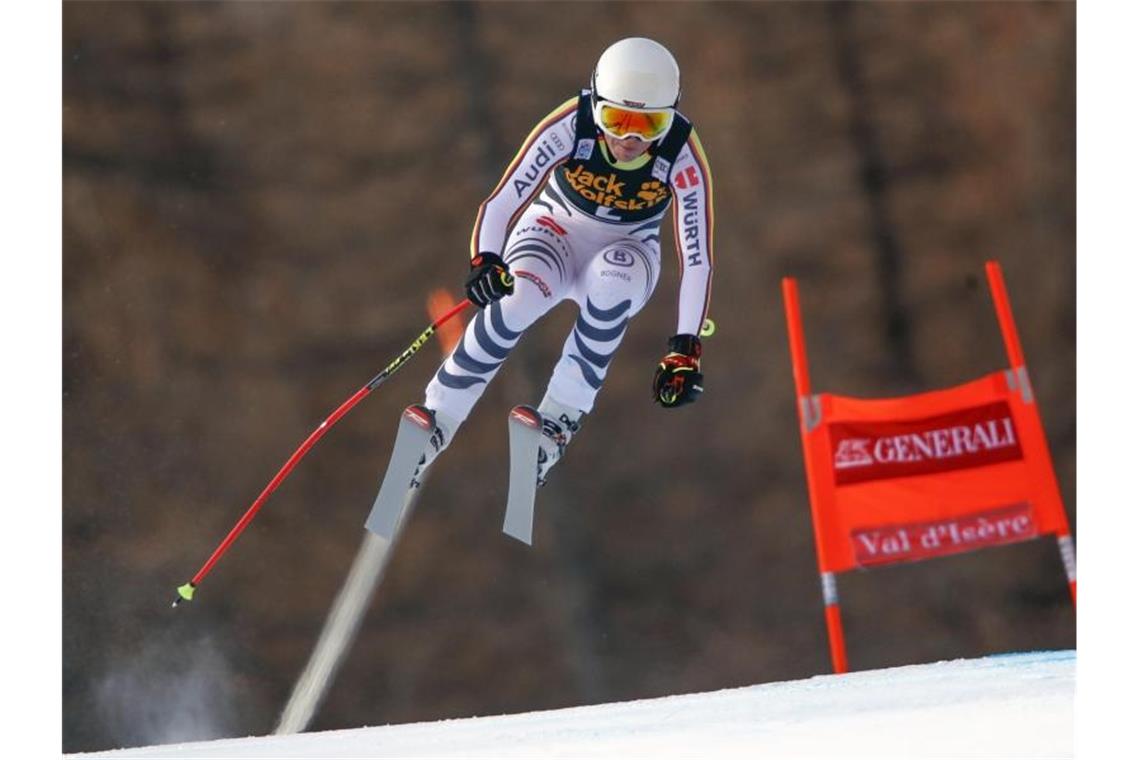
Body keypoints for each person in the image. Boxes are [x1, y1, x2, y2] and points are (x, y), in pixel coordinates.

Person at [411, 36, 714, 487]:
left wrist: (685, 348)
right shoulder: (570, 124)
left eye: (649, 125)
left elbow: (698, 258)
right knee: (517, 299)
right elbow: (503, 201)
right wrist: (486, 259)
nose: (630, 139)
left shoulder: (682, 155)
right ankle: (441, 413)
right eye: (616, 119)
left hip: (629, 249)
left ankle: (558, 421)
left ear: (669, 118)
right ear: (597, 105)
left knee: (613, 282)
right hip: (556, 230)